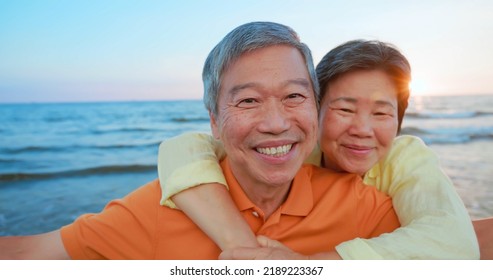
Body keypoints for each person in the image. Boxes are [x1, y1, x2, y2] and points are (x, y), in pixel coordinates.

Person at [0, 21, 401, 260]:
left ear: (314, 107)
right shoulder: (155, 212)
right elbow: (25, 255)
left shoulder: (360, 205)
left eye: (294, 96)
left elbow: (448, 244)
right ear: (214, 120)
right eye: (248, 101)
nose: (277, 123)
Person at [156, 39, 484, 259]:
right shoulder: (289, 149)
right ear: (314, 108)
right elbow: (181, 149)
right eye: (344, 109)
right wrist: (239, 245)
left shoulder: (405, 158)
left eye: (382, 113)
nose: (362, 129)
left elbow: (455, 242)